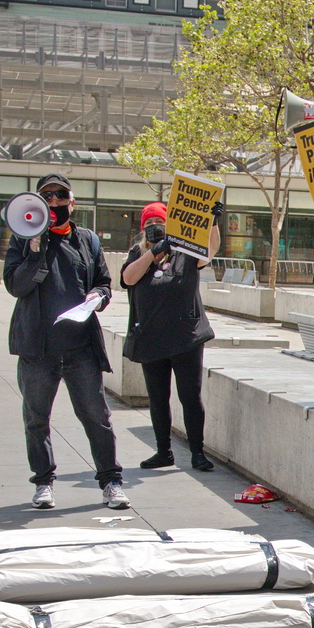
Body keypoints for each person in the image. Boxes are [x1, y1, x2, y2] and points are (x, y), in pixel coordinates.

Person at [4, 171, 126, 510]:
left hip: (80, 348)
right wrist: (34, 251)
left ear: (72, 203)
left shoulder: (87, 240)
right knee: (36, 419)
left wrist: (98, 296)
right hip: (38, 350)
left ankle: (111, 482)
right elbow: (16, 286)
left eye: (60, 196)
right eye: (47, 197)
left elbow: (104, 283)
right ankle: (43, 482)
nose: (54, 201)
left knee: (97, 418)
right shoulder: (23, 239)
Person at [121, 199, 218, 472]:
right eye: (150, 223)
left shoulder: (186, 250)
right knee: (158, 398)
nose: (155, 226)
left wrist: (212, 223)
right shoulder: (138, 253)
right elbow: (128, 278)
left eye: (160, 221)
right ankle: (163, 451)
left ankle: (197, 452)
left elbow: (210, 251)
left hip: (186, 337)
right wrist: (153, 252)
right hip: (151, 338)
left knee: (190, 396)